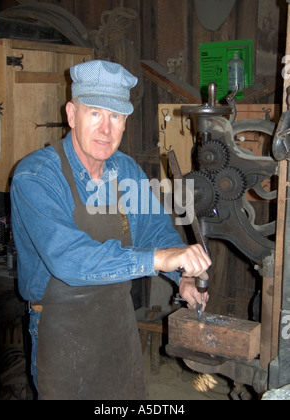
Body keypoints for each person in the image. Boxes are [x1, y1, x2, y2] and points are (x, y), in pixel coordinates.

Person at [11, 60, 212, 400]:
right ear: (72, 114)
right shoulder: (36, 177)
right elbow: (70, 260)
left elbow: (155, 231)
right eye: (95, 114)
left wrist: (184, 277)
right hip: (62, 332)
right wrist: (160, 259)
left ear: (125, 122)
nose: (106, 128)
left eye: (115, 117)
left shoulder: (125, 170)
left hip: (118, 325)